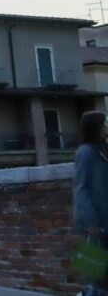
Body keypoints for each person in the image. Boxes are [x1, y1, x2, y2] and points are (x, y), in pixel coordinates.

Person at [74, 110, 108, 295]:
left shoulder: (102, 149)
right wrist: (91, 221)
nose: (106, 126)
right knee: (96, 274)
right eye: (104, 123)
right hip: (93, 224)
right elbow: (80, 188)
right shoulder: (85, 152)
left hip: (105, 221)